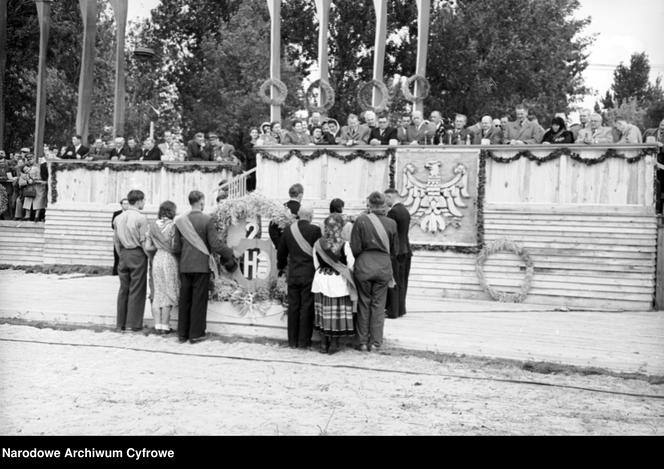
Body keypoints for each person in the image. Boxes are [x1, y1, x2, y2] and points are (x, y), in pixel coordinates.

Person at [173, 190, 237, 344]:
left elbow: (176, 247)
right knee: (198, 301)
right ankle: (196, 334)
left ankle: (182, 334)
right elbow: (215, 245)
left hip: (185, 266)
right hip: (201, 265)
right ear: (201, 201)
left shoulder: (179, 220)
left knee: (185, 300)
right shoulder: (207, 220)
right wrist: (230, 252)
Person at [350, 191, 397, 351]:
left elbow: (354, 247)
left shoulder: (361, 220)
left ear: (369, 204)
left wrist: (362, 258)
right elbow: (395, 250)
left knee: (364, 303)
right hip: (383, 267)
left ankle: (362, 342)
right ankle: (376, 343)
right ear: (384, 204)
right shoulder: (391, 223)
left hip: (364, 266)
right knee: (379, 305)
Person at [277, 205, 322, 349]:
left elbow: (281, 253)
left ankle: (292, 341)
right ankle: (303, 342)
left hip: (293, 273)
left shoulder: (288, 230)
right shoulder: (315, 230)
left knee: (293, 307)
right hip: (309, 274)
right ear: (310, 216)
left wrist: (281, 267)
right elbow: (320, 252)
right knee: (306, 308)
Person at [312, 214, 357, 354]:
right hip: (338, 281)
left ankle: (324, 343)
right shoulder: (345, 244)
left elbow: (316, 264)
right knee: (337, 313)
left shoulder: (318, 244)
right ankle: (334, 343)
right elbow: (351, 264)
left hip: (322, 279)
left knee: (323, 312)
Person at [113, 189, 149, 332]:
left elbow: (115, 241)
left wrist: (121, 254)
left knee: (123, 289)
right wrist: (149, 257)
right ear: (139, 201)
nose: (144, 202)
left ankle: (120, 323)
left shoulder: (118, 218)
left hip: (123, 254)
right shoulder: (141, 218)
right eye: (144, 200)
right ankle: (132, 324)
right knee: (137, 289)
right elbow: (144, 241)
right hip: (137, 253)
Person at [145, 200, 179, 334]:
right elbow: (175, 246)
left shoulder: (152, 226)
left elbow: (147, 247)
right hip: (169, 259)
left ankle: (157, 325)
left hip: (157, 259)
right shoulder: (173, 226)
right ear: (172, 211)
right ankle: (165, 326)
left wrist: (158, 247)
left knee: (157, 292)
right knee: (168, 292)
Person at [384, 188, 412, 319]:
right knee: (403, 281)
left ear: (390, 197)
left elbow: (391, 232)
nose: (385, 202)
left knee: (394, 280)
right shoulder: (405, 210)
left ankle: (393, 310)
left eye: (386, 199)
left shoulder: (393, 212)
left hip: (396, 251)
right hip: (406, 249)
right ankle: (401, 308)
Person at [269, 183, 304, 248]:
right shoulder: (302, 210)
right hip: (296, 248)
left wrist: (279, 245)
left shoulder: (280, 208)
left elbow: (272, 228)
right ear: (300, 195)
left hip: (282, 246)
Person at [111, 198, 130, 276]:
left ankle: (126, 272)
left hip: (128, 238)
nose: (126, 205)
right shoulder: (116, 213)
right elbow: (112, 225)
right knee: (117, 255)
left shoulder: (131, 213)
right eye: (124, 204)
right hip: (118, 237)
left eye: (127, 204)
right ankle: (115, 273)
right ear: (121, 205)